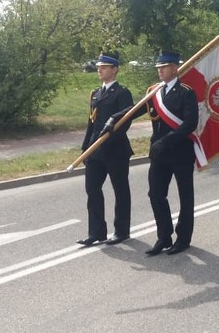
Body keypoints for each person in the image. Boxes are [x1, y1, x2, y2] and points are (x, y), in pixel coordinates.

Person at [141, 50, 199, 256]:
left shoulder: (186, 92)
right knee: (155, 194)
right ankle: (163, 237)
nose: (160, 71)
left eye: (163, 67)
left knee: (185, 197)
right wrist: (115, 119)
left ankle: (183, 238)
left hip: (180, 153)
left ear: (175, 68)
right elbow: (136, 109)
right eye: (158, 67)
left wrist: (166, 141)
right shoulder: (153, 91)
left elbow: (190, 123)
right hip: (159, 155)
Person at [76, 51, 134, 247]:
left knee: (120, 190)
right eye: (99, 67)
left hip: (115, 151)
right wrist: (86, 147)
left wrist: (108, 138)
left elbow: (126, 119)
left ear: (115, 70)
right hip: (95, 150)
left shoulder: (122, 93)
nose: (99, 70)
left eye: (104, 67)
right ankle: (97, 231)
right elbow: (91, 123)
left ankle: (121, 231)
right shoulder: (96, 93)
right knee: (92, 189)